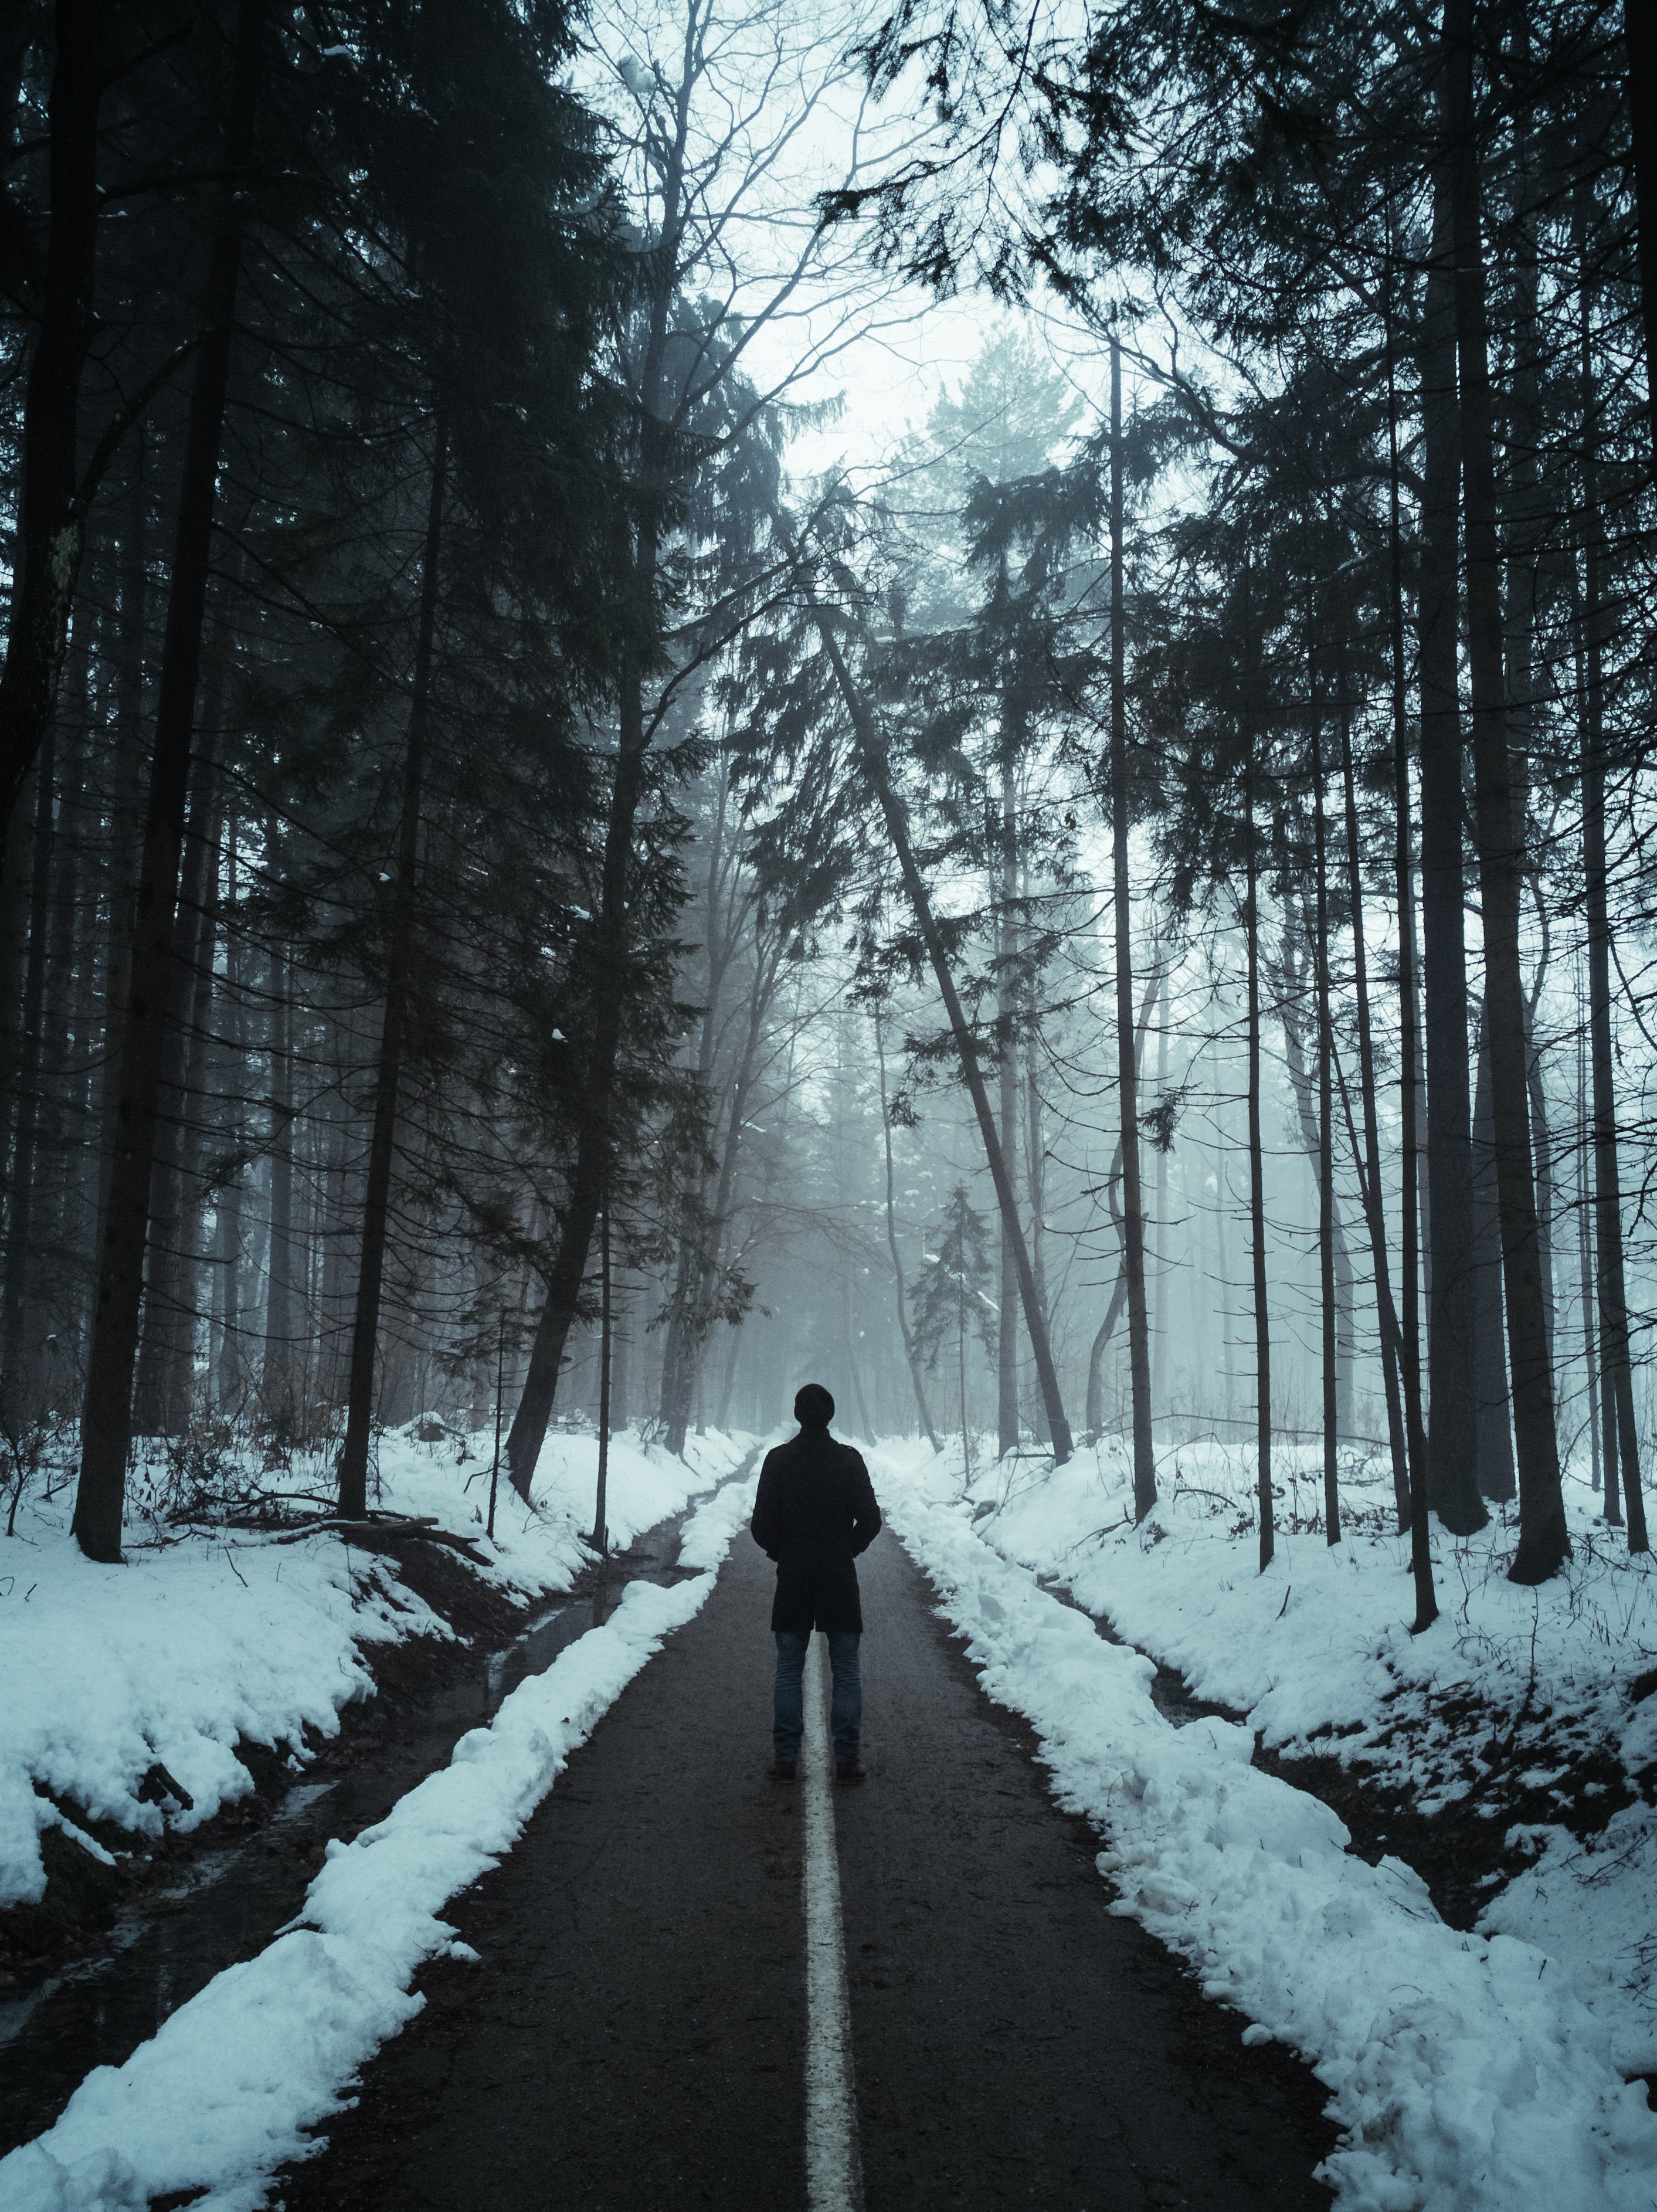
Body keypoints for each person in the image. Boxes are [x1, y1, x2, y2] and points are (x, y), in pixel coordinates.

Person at [751, 1383, 881, 1784]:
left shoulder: (778, 1460)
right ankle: (847, 1760)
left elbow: (760, 1526)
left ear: (796, 1414)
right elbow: (872, 1519)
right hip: (838, 1576)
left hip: (793, 1576)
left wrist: (782, 1553)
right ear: (831, 1415)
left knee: (790, 1668)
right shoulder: (849, 1461)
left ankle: (786, 1759)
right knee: (846, 1668)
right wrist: (847, 1549)